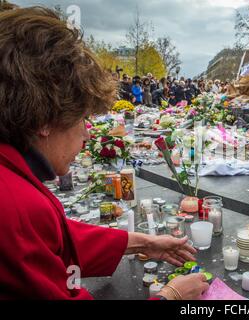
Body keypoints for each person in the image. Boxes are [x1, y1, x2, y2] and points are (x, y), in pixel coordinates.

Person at [0, 7, 209, 300]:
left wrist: (140, 243)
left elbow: (56, 241)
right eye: (81, 118)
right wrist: (171, 295)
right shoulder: (14, 207)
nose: (87, 134)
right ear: (44, 120)